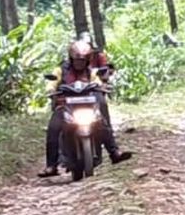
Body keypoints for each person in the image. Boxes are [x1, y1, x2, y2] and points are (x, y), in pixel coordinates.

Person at [38, 39, 133, 177]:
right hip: (65, 106)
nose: (79, 63)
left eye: (82, 61)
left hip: (87, 106)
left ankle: (114, 153)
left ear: (88, 60)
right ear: (71, 59)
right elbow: (51, 84)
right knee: (53, 129)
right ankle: (51, 166)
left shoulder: (92, 72)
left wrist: (102, 87)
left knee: (102, 123)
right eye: (77, 60)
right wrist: (51, 90)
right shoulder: (60, 70)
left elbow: (98, 82)